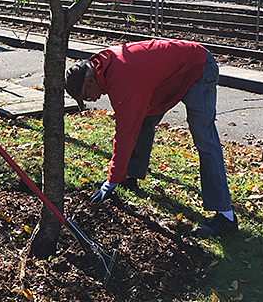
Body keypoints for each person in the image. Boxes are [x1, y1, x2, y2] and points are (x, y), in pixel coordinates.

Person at [65, 38, 238, 238]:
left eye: (87, 96)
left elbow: (125, 132)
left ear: (89, 80)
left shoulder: (120, 78)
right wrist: (118, 176)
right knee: (145, 119)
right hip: (168, 77)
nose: (93, 100)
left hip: (197, 67)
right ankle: (128, 176)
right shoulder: (102, 66)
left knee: (204, 138)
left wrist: (111, 180)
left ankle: (226, 216)